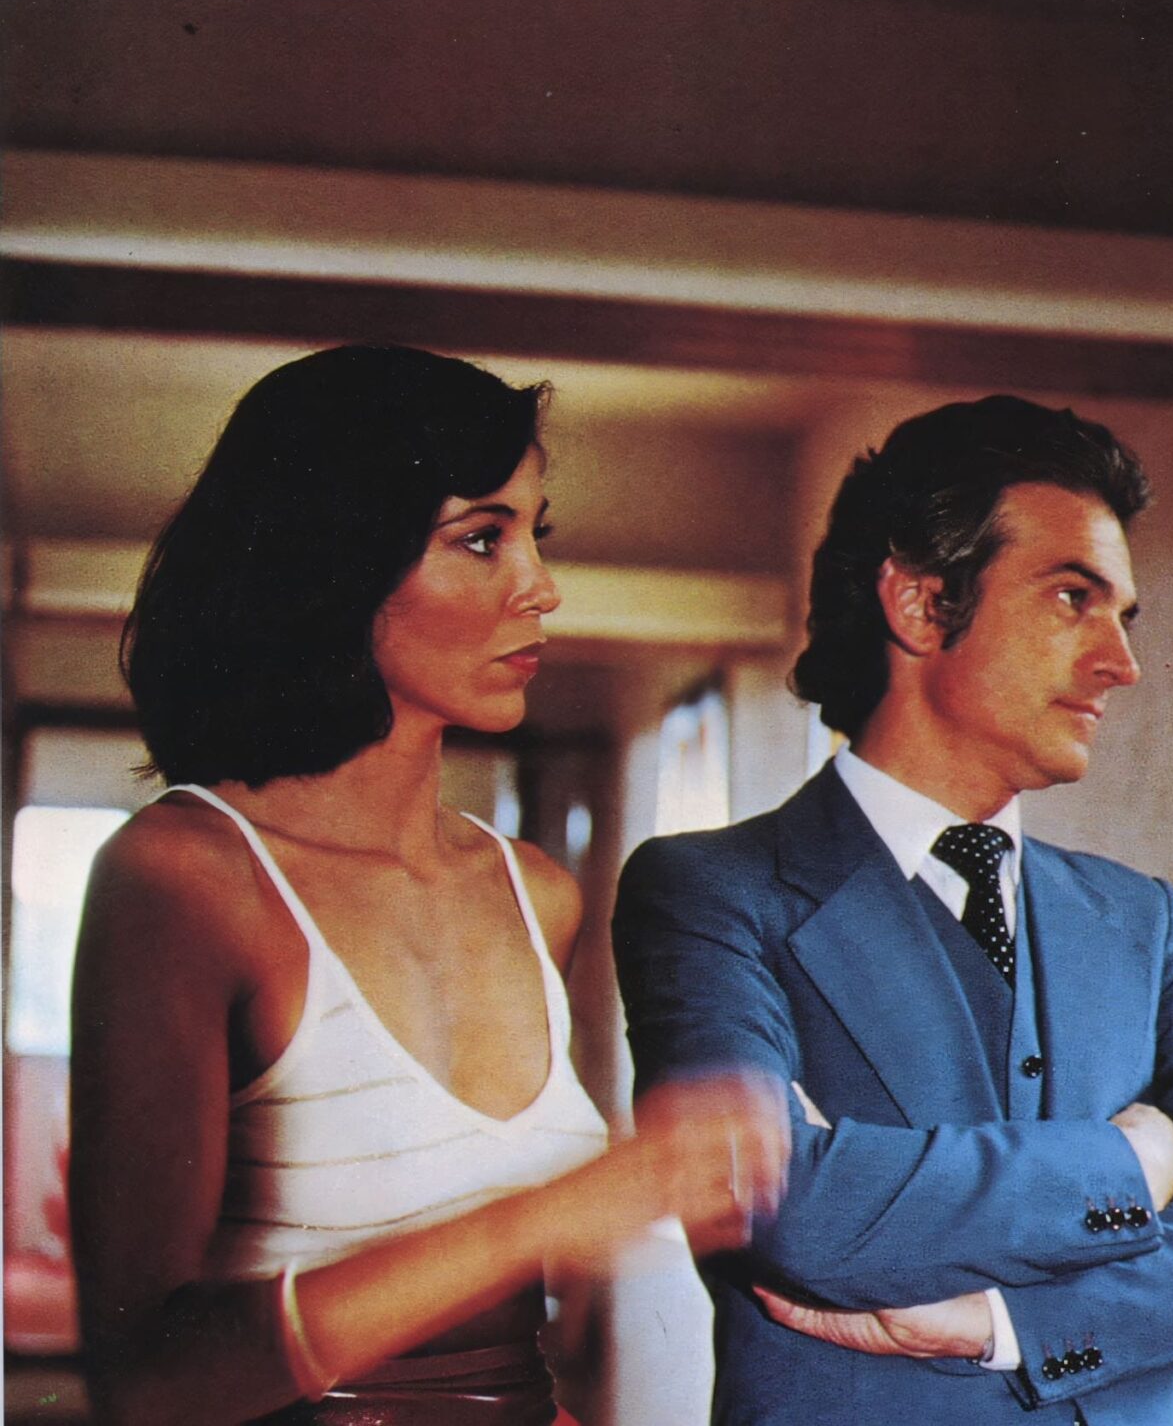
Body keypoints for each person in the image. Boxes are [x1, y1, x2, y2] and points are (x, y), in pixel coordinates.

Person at [70, 344, 787, 1426]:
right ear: (335, 560)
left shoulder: (536, 894)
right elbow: (146, 1384)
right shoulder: (186, 876)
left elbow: (500, 1360)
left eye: (534, 536)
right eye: (481, 539)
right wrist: (548, 1215)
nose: (541, 588)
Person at [612, 394, 1173, 1423]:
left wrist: (1003, 1325)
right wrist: (1134, 1162)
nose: (1122, 663)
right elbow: (775, 1205)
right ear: (918, 603)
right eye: (1073, 598)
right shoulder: (712, 891)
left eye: (1123, 616)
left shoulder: (1143, 921)